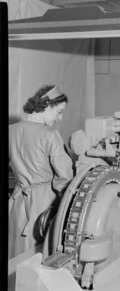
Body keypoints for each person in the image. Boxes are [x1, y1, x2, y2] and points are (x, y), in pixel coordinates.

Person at [9, 85, 74, 259]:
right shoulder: (50, 135)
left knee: (15, 254)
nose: (60, 118)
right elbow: (65, 178)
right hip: (43, 205)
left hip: (17, 203)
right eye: (59, 112)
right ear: (47, 105)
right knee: (37, 257)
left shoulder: (12, 130)